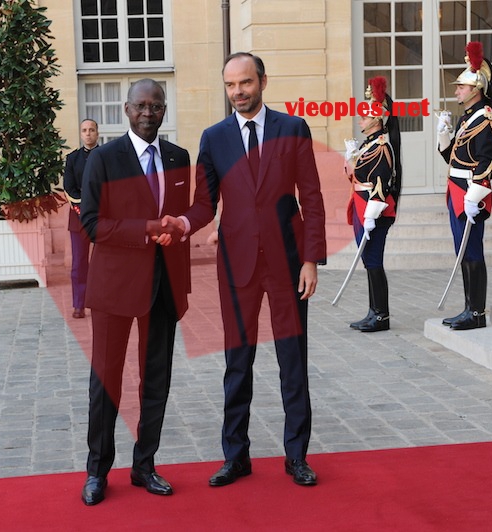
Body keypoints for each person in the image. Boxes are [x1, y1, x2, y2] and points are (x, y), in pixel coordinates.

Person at [166, 52, 327, 487]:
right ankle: (236, 456)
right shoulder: (214, 137)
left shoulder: (292, 128)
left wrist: (311, 260)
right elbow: (205, 202)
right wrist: (183, 223)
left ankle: (296, 457)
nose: (238, 92)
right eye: (231, 85)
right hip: (236, 267)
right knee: (238, 364)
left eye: (245, 83)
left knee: (293, 362)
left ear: (262, 82)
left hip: (288, 265)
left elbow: (310, 197)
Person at [79, 79, 191, 506]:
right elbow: (92, 224)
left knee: (155, 382)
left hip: (163, 289)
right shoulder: (105, 158)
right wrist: (145, 231)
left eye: (156, 106)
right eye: (141, 106)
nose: (149, 113)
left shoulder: (179, 157)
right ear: (126, 110)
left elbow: (182, 217)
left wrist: (175, 231)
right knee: (105, 383)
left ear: (165, 110)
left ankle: (145, 466)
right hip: (114, 289)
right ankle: (97, 471)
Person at [437, 41, 492, 330]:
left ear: (475, 89)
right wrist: (444, 136)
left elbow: (488, 161)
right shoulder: (468, 119)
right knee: (463, 252)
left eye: (461, 87)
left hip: (470, 193)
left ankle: (476, 313)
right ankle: (469, 307)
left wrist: (474, 195)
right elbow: (452, 156)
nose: (456, 91)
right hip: (457, 190)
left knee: (472, 252)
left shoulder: (485, 118)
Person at [343, 76, 402, 332]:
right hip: (361, 205)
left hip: (373, 210)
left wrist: (371, 215)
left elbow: (380, 183)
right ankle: (373, 311)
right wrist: (351, 159)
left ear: (377, 120)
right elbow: (358, 175)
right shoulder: (368, 145)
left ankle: (381, 316)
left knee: (374, 261)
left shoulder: (381, 147)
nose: (360, 121)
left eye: (364, 118)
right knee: (369, 261)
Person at [64, 119, 99, 319]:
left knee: (102, 262)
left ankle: (100, 301)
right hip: (78, 219)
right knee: (79, 264)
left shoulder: (107, 156)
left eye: (91, 130)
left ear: (97, 133)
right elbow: (69, 187)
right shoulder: (72, 159)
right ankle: (79, 304)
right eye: (84, 130)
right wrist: (84, 209)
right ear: (80, 133)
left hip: (103, 218)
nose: (88, 134)